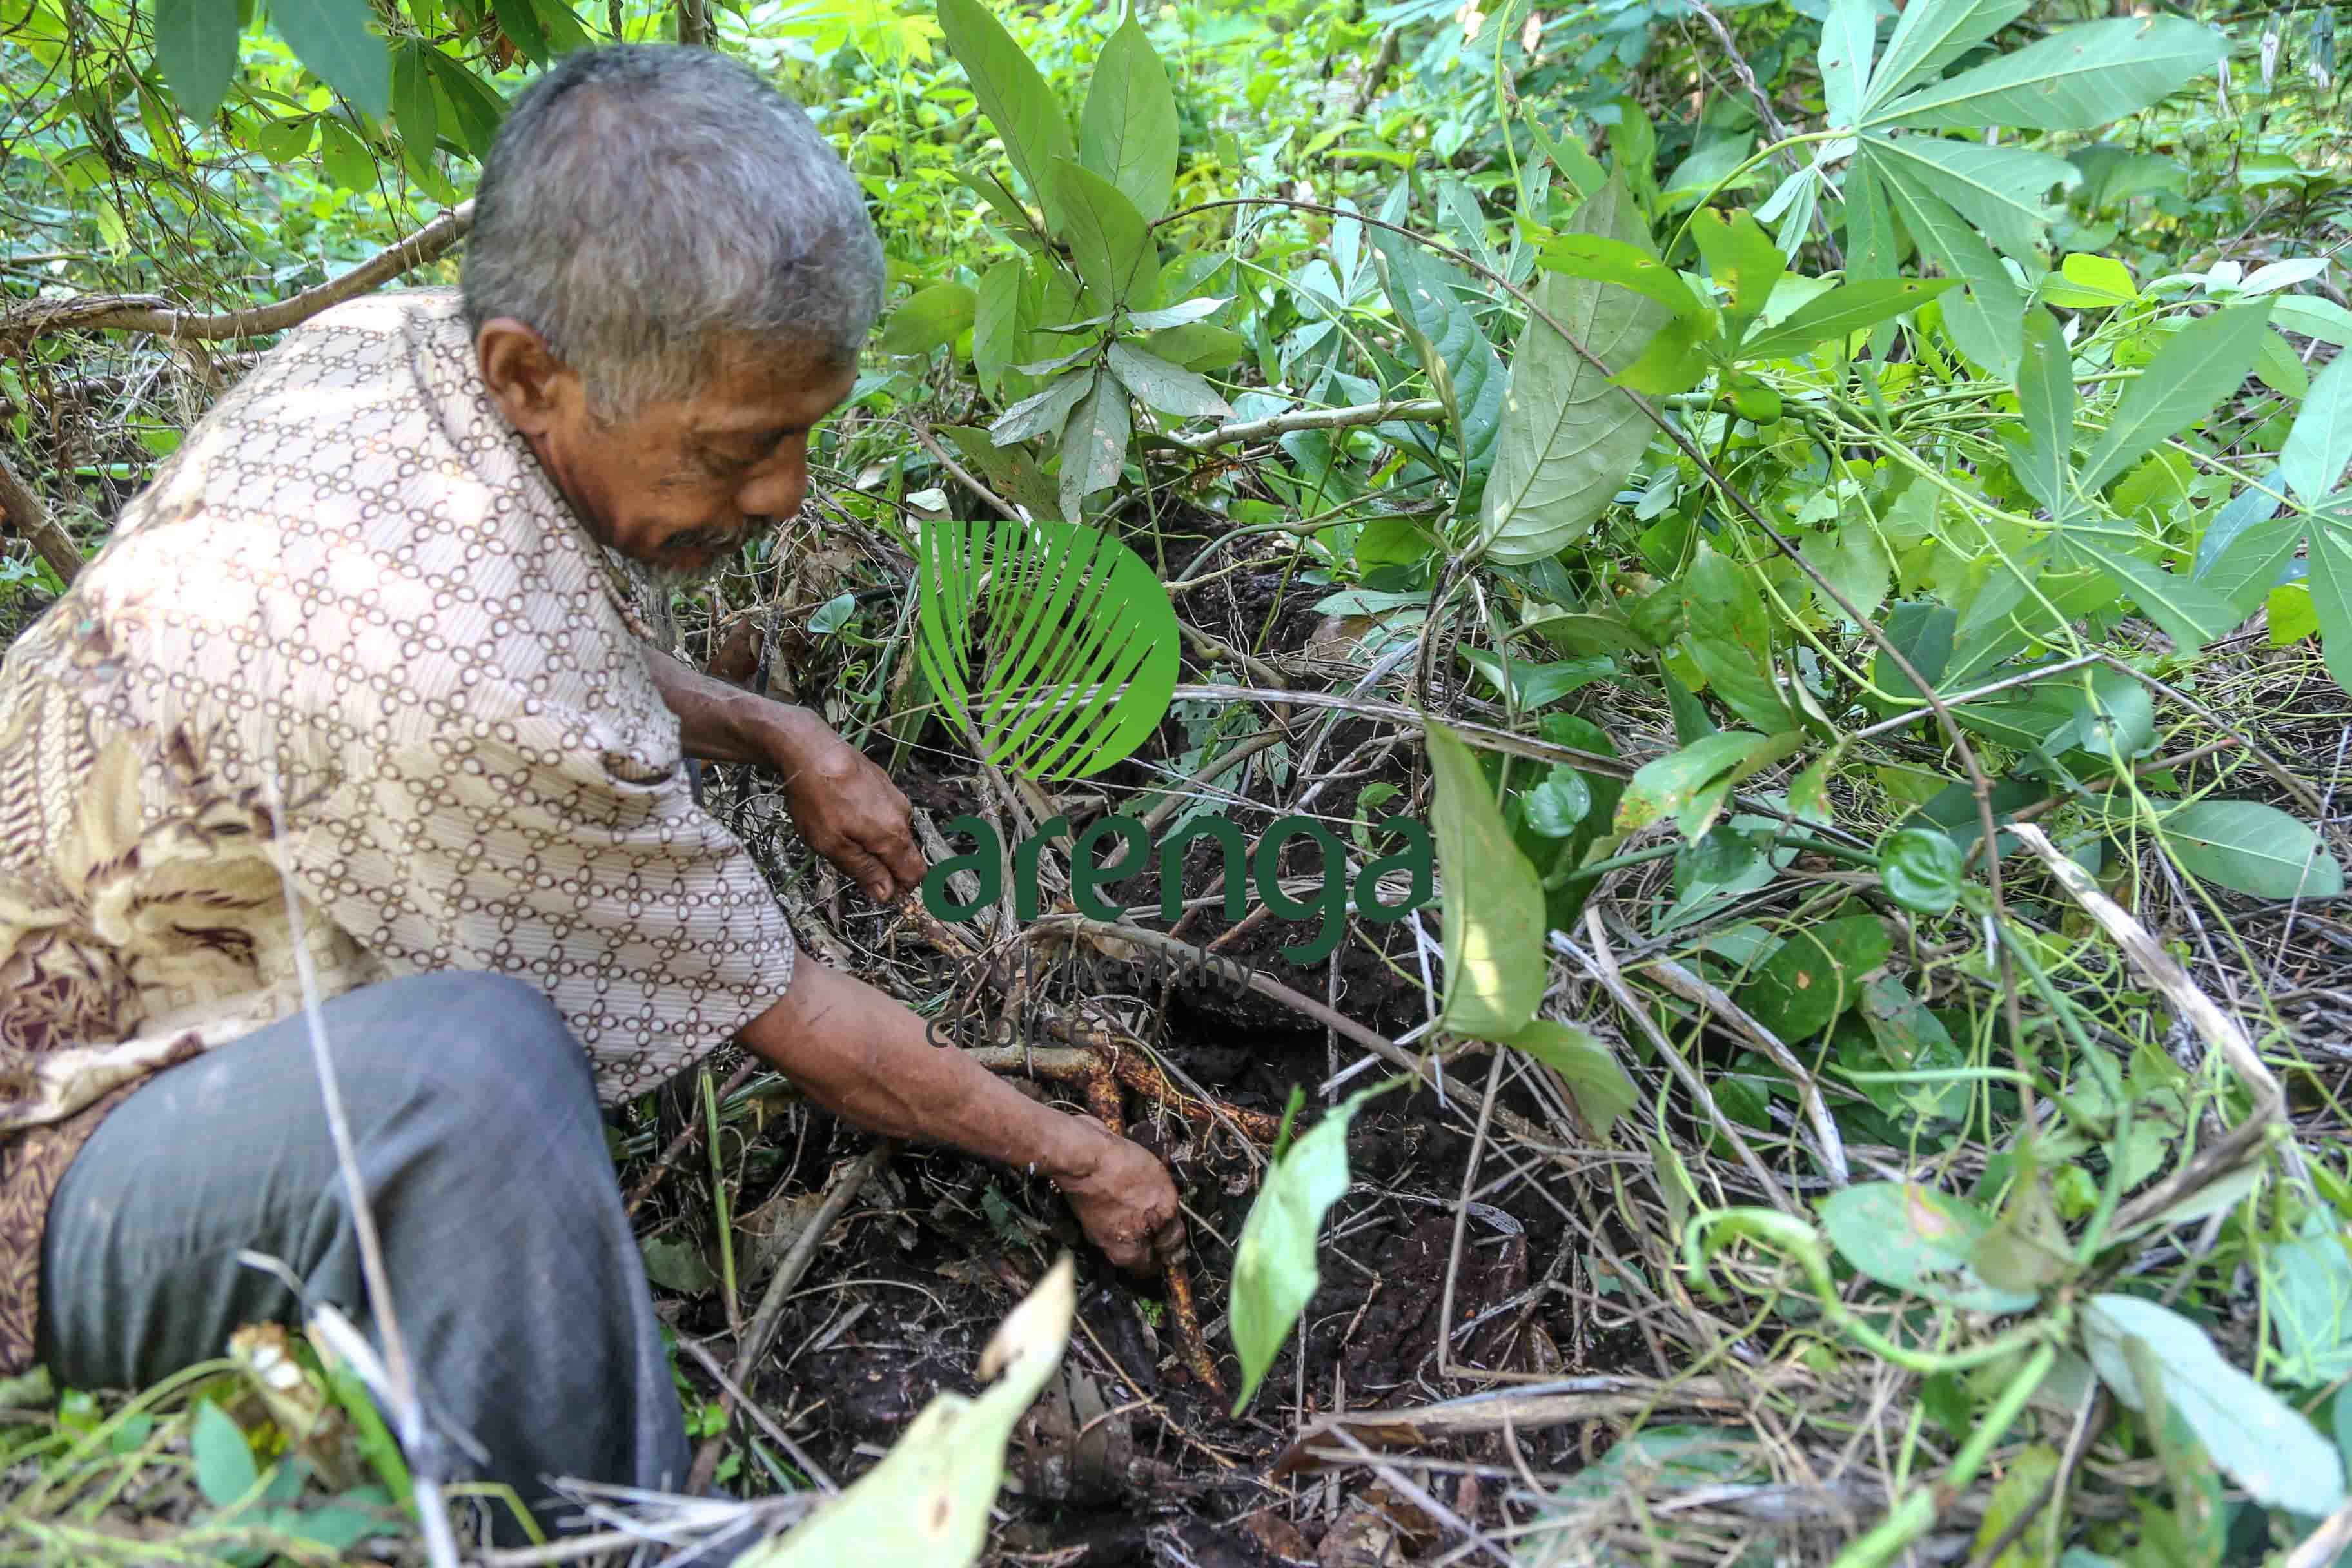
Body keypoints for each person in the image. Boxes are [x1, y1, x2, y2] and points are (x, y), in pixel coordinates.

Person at [0, 43, 1183, 1545]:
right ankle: (610, 1537)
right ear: (528, 371)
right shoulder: (485, 695)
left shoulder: (375, 356)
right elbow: (802, 1022)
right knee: (472, 1083)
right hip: (42, 1182)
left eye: (807, 433)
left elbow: (542, 636)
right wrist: (1082, 1154)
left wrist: (782, 736)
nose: (784, 497)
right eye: (741, 449)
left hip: (113, 1008)